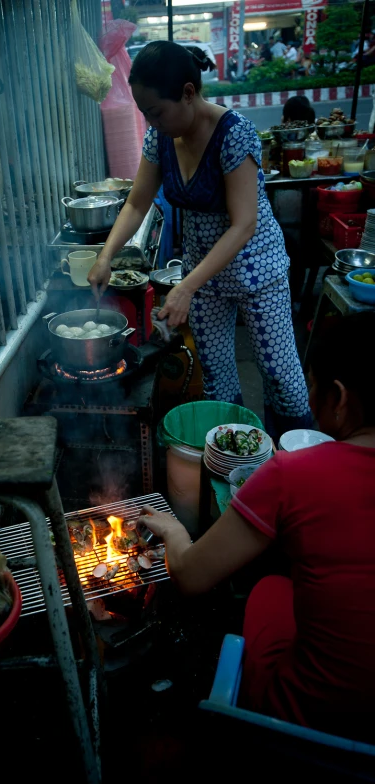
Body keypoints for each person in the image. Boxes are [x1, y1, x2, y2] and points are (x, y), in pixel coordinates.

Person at [137, 312, 375, 739]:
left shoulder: (292, 473)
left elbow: (190, 577)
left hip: (318, 725)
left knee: (268, 591)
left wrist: (175, 532)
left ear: (338, 398)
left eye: (313, 384)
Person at [88, 40, 312, 438]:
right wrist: (105, 256)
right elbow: (138, 203)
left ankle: (292, 462)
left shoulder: (234, 134)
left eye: (156, 111)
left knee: (282, 379)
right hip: (204, 275)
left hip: (256, 269)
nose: (151, 122)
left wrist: (186, 287)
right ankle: (233, 468)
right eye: (144, 113)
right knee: (218, 378)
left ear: (189, 93)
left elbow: (243, 224)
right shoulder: (159, 139)